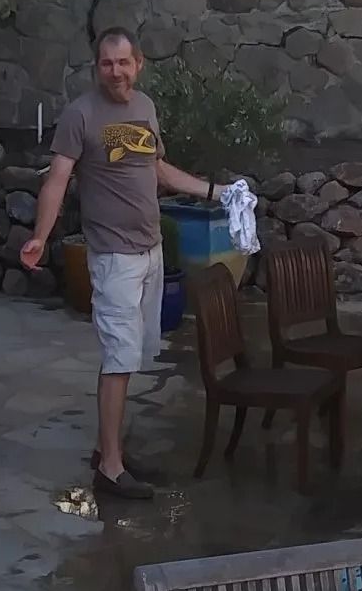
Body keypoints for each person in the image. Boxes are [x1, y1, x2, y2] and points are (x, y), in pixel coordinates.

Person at [21, 27, 216, 501]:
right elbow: (57, 180)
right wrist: (40, 237)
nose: (116, 72)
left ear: (139, 63)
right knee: (118, 358)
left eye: (123, 62)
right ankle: (110, 468)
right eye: (107, 64)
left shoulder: (145, 108)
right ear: (97, 67)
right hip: (113, 258)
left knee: (135, 354)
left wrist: (215, 191)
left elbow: (156, 170)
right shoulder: (80, 115)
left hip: (150, 252)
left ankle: (109, 450)